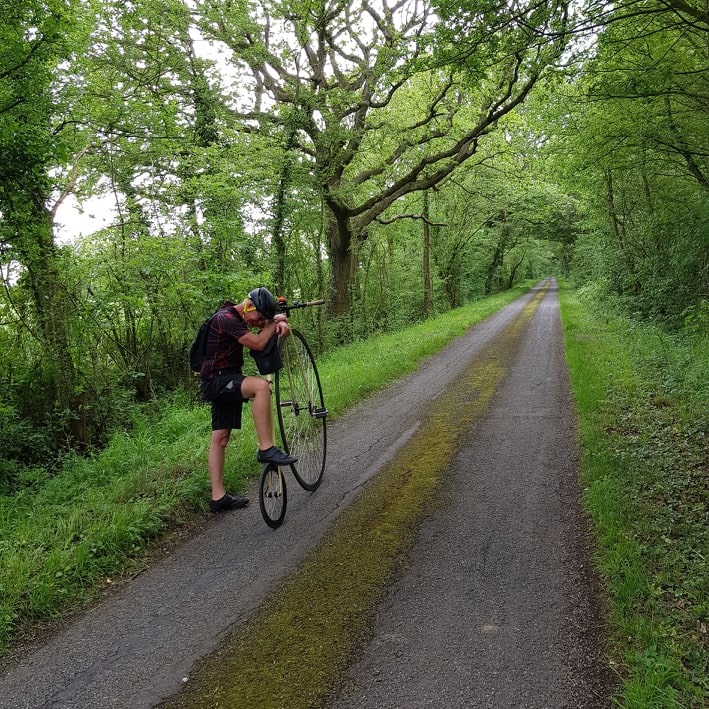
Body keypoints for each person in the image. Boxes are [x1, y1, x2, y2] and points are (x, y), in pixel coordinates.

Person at [199, 287, 297, 512]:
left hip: (224, 379)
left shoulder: (235, 317)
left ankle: (218, 497)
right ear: (249, 306)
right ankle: (266, 448)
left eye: (262, 320)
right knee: (261, 387)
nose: (258, 323)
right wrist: (274, 323)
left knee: (220, 438)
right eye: (258, 318)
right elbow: (259, 343)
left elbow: (265, 328)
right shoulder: (226, 319)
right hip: (218, 381)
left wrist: (277, 321)